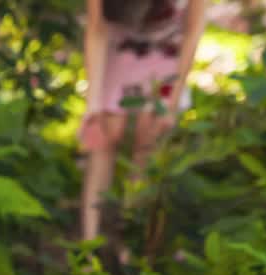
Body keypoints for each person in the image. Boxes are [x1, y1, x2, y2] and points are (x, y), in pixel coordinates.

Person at [80, 0, 206, 253]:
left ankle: (130, 249)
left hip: (165, 66)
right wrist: (93, 106)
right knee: (102, 146)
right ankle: (88, 248)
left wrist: (172, 101)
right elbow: (96, 29)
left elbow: (193, 32)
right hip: (116, 60)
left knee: (145, 156)